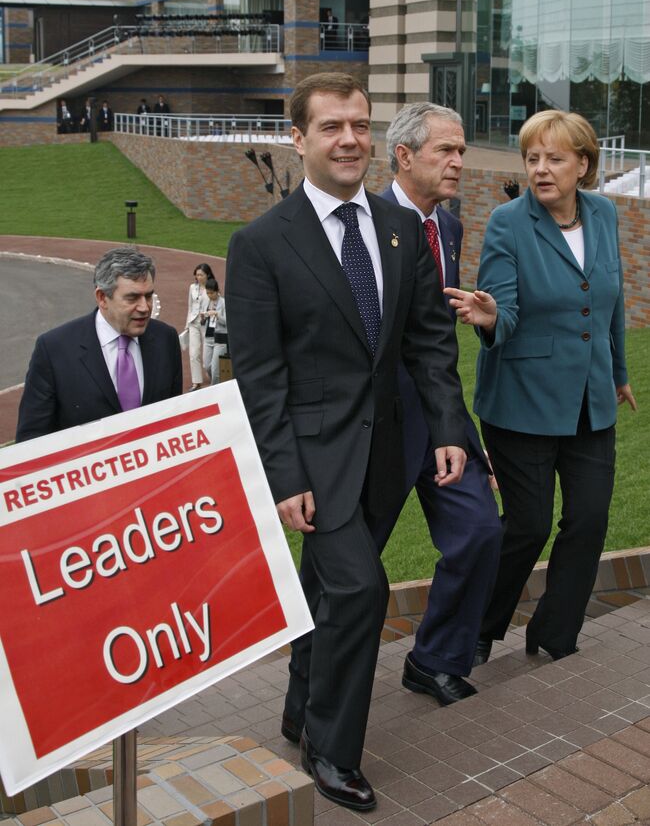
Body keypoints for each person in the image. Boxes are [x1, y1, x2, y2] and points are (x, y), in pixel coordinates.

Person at [226, 73, 468, 811]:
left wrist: (450, 428)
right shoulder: (262, 244)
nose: (350, 140)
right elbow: (261, 376)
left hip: (388, 454)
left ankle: (300, 705)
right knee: (360, 591)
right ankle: (331, 750)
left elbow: (429, 341)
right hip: (316, 460)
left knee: (324, 591)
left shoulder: (399, 230)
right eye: (332, 127)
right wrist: (284, 474)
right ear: (297, 139)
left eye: (360, 125)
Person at [446, 109, 637, 665]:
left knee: (589, 519)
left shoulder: (602, 215)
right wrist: (488, 318)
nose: (541, 169)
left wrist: (619, 372)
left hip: (589, 401)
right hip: (521, 401)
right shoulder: (509, 222)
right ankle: (477, 630)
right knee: (526, 528)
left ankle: (555, 636)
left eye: (555, 158)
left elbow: (611, 301)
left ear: (584, 164)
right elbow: (503, 309)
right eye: (533, 158)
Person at [379, 102, 501, 704]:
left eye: (461, 150)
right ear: (404, 156)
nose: (459, 162)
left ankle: (433, 660)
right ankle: (312, 695)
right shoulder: (366, 226)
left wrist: (484, 321)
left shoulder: (447, 227)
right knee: (346, 573)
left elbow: (436, 343)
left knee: (479, 531)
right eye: (446, 151)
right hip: (375, 430)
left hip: (442, 419)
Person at [16, 247, 182, 442]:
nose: (144, 307)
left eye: (148, 296)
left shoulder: (166, 339)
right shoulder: (54, 350)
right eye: (132, 298)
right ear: (102, 298)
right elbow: (30, 440)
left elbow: (174, 419)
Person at [185, 262, 213, 391]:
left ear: (207, 275)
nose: (198, 277)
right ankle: (196, 382)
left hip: (207, 324)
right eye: (197, 275)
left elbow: (215, 306)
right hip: (193, 323)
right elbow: (190, 306)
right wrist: (187, 325)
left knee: (207, 356)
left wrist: (206, 315)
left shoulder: (212, 288)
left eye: (201, 275)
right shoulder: (192, 287)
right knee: (193, 353)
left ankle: (213, 376)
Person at [201, 278, 227, 385]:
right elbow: (202, 321)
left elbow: (226, 321)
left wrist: (216, 314)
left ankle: (214, 389)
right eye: (207, 293)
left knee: (215, 369)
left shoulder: (223, 303)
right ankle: (216, 383)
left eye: (211, 293)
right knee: (207, 366)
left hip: (220, 339)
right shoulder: (206, 301)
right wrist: (203, 317)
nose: (209, 295)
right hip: (208, 337)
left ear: (217, 291)